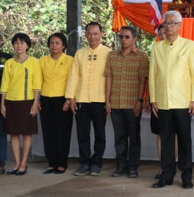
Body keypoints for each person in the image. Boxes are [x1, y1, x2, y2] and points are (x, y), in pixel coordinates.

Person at [149, 10, 194, 189]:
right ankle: (166, 175)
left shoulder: (189, 45)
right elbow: (153, 75)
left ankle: (187, 176)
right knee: (166, 140)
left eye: (172, 23)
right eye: (166, 23)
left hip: (183, 101)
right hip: (163, 102)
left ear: (179, 25)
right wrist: (153, 99)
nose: (168, 26)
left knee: (185, 140)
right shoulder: (156, 47)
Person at [65, 21, 111, 176]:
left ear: (101, 35)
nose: (92, 37)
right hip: (82, 99)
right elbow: (73, 76)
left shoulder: (108, 53)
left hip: (100, 99)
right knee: (82, 133)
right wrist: (70, 98)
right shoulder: (80, 53)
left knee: (100, 133)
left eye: (95, 33)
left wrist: (108, 100)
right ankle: (84, 163)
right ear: (85, 35)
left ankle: (97, 163)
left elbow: (111, 79)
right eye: (89, 33)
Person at [105, 26, 149, 178]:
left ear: (134, 39)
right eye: (121, 37)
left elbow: (143, 79)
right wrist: (107, 100)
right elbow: (108, 77)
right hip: (116, 102)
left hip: (132, 103)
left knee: (134, 136)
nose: (123, 40)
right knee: (119, 137)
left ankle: (133, 167)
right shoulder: (112, 55)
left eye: (127, 37)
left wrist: (140, 100)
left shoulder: (142, 56)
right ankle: (121, 166)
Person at [0, 33, 42, 176]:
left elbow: (37, 85)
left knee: (27, 133)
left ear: (28, 45)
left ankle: (24, 163)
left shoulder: (34, 62)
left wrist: (35, 103)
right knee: (13, 134)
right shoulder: (9, 63)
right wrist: (2, 104)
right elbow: (4, 84)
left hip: (27, 101)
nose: (19, 46)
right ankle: (17, 163)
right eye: (16, 43)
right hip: (11, 102)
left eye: (22, 43)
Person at [39, 33, 73, 174]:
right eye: (52, 43)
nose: (54, 46)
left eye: (57, 43)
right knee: (48, 133)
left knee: (63, 133)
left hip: (62, 100)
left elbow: (72, 81)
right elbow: (38, 81)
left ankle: (61, 163)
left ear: (63, 45)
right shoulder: (42, 60)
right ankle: (51, 163)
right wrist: (38, 100)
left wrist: (68, 100)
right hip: (45, 99)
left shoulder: (70, 60)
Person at [150, 23, 165, 179]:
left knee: (172, 135)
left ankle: (170, 165)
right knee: (160, 135)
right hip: (158, 100)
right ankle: (162, 166)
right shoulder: (155, 50)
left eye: (165, 32)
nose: (163, 35)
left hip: (176, 101)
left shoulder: (183, 47)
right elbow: (151, 77)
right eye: (160, 33)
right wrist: (151, 98)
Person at [0, 32, 12, 174]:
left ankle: (0, 162)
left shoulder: (7, 59)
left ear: (1, 42)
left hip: (1, 102)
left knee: (1, 133)